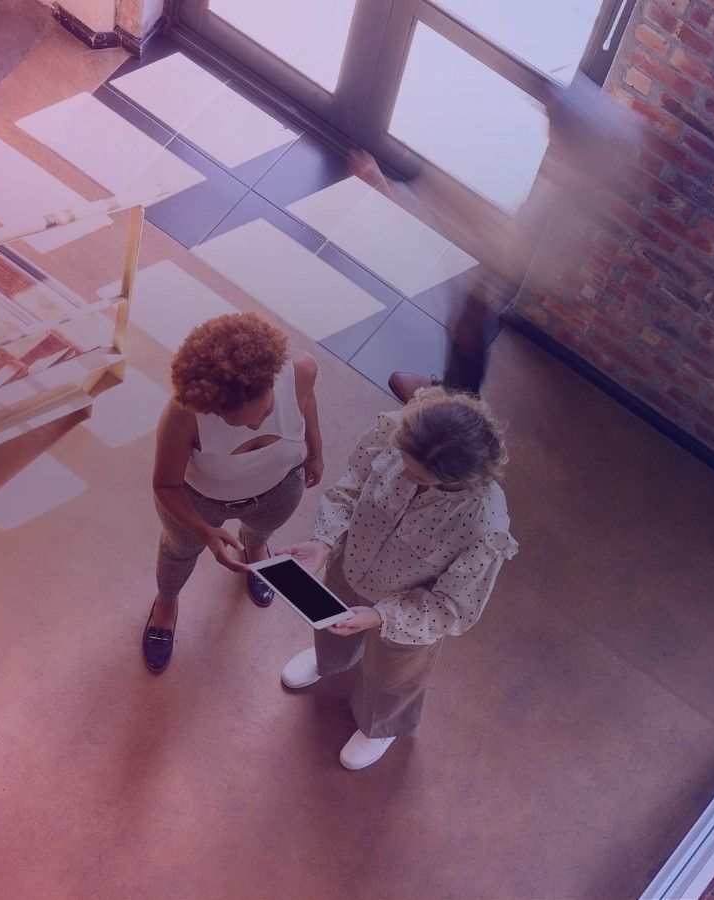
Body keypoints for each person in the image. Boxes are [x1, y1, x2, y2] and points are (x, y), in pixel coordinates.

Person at [353, 73, 646, 403]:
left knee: (467, 328)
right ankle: (454, 396)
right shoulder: (572, 162)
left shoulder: (547, 198)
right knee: (466, 324)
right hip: (509, 257)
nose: (545, 114)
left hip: (505, 259)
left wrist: (387, 190)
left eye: (552, 114)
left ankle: (453, 405)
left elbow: (479, 233)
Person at [278, 386, 518, 770]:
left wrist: (381, 617)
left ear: (454, 480)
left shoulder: (484, 525)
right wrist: (325, 541)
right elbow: (351, 487)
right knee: (330, 623)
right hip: (351, 564)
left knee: (392, 674)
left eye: (415, 474)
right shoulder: (395, 434)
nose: (402, 473)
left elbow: (451, 607)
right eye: (402, 462)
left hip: (410, 609)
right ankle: (329, 662)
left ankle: (381, 726)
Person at [143, 314, 325, 673]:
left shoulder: (301, 369)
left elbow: (307, 403)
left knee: (262, 531)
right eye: (238, 423)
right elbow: (165, 484)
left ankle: (255, 548)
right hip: (200, 501)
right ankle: (166, 603)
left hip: (279, 486)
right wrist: (204, 531)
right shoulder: (184, 414)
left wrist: (316, 451)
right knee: (179, 552)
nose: (256, 425)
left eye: (266, 412)